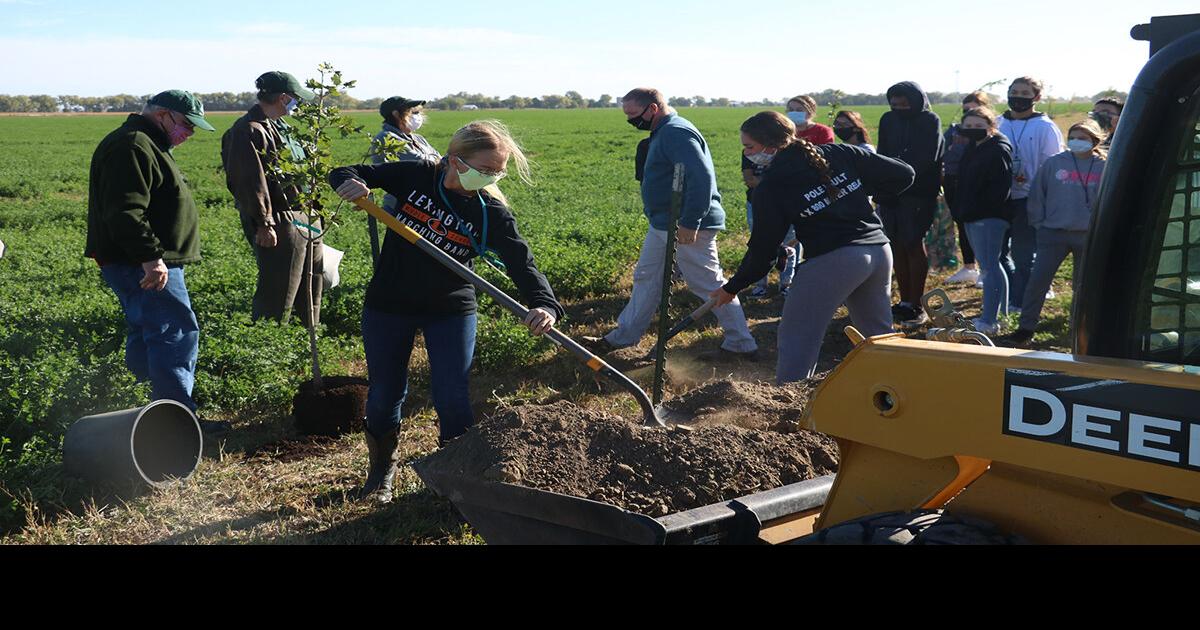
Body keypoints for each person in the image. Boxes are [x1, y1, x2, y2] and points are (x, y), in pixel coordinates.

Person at [328, 120, 564, 502]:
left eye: (497, 170)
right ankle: (381, 473)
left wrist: (544, 303)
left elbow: (523, 263)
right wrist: (349, 182)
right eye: (484, 169)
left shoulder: (491, 212)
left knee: (452, 396)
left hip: (450, 307)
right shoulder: (416, 175)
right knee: (385, 394)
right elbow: (349, 171)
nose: (490, 177)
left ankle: (457, 477)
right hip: (391, 302)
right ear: (455, 160)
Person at [711, 111, 915, 382]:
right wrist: (855, 197)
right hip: (878, 251)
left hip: (835, 262)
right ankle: (897, 393)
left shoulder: (772, 187)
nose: (747, 153)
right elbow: (904, 174)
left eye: (750, 147)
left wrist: (732, 287)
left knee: (797, 337)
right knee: (877, 337)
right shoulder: (838, 153)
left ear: (771, 146)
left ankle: (790, 409)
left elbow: (763, 252)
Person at [85, 90, 229, 436]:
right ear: (163, 115)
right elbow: (126, 211)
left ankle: (145, 412)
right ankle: (176, 421)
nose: (190, 133)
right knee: (174, 332)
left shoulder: (146, 142)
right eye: (186, 125)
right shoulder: (134, 145)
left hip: (139, 260)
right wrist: (151, 258)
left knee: (149, 331)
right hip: (142, 262)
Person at [587, 88, 758, 360]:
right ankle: (624, 336)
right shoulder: (663, 131)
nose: (631, 120)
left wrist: (690, 222)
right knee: (646, 277)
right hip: (664, 223)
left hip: (687, 225)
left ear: (652, 109)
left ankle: (741, 342)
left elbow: (700, 178)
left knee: (708, 284)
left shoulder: (676, 132)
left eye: (633, 114)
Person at [221, 71, 324, 327]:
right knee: (280, 288)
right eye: (296, 99)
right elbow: (249, 181)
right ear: (283, 97)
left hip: (306, 217)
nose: (299, 104)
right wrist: (264, 223)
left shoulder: (283, 127)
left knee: (312, 282)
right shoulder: (247, 130)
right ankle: (271, 344)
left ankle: (306, 339)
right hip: (280, 219)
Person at [1004, 120, 1107, 347]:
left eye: (1083, 137)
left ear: (1095, 141)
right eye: (1074, 136)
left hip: (1087, 235)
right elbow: (1037, 195)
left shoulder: (1104, 166)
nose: (1077, 141)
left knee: (1083, 285)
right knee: (1038, 281)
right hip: (1053, 233)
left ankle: (1079, 330)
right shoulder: (1054, 163)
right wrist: (1039, 223)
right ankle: (1026, 328)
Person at [876, 81, 945, 326]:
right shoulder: (888, 120)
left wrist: (901, 179)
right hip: (891, 193)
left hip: (918, 193)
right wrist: (883, 184)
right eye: (894, 104)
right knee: (895, 244)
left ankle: (917, 304)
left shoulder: (930, 121)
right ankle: (904, 301)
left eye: (904, 104)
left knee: (912, 242)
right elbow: (882, 151)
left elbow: (928, 157)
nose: (899, 108)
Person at [998, 76, 1064, 313]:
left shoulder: (1045, 127)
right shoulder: (999, 123)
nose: (1018, 97)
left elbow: (1052, 165)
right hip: (1000, 198)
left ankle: (1021, 300)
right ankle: (1004, 297)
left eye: (1025, 93)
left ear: (1036, 97)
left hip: (1029, 198)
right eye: (1014, 91)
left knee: (1024, 254)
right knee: (999, 253)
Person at [953, 107, 1014, 335]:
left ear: (991, 127)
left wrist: (979, 211)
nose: (973, 131)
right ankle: (1004, 314)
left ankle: (989, 320)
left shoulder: (997, 150)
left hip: (988, 217)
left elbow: (1000, 188)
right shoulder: (972, 148)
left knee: (988, 268)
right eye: (968, 126)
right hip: (971, 214)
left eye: (978, 126)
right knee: (993, 264)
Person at [943, 91, 991, 285]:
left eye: (974, 109)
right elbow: (942, 150)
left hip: (975, 182)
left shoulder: (988, 134)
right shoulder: (954, 130)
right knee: (961, 224)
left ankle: (985, 268)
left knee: (980, 226)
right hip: (953, 181)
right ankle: (969, 267)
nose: (968, 114)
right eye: (965, 110)